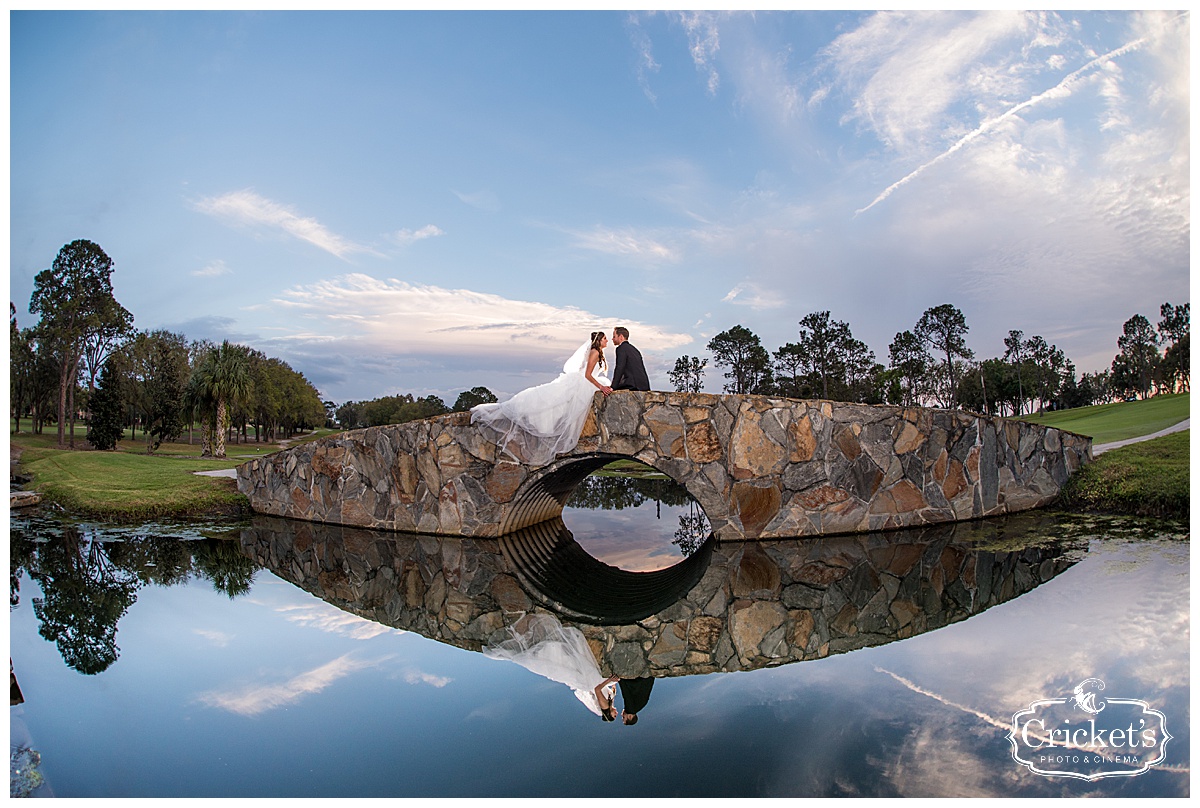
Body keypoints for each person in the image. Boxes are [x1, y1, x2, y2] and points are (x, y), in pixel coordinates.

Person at [470, 331, 612, 465]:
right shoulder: (594, 353)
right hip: (583, 383)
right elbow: (587, 375)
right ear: (599, 341)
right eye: (605, 338)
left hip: (582, 382)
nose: (607, 340)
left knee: (561, 405)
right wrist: (602, 387)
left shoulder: (597, 352)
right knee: (557, 404)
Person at [483, 613, 616, 717]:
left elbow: (598, 690)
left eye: (614, 716)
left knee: (565, 661)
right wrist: (612, 686)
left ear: (609, 714)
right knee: (570, 660)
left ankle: (535, 648)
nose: (616, 714)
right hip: (590, 681)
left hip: (588, 682)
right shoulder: (609, 702)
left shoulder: (604, 708)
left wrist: (610, 681)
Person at [610, 327, 651, 391]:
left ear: (620, 337)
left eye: (614, 336)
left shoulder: (621, 349)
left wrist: (613, 387)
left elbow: (620, 368)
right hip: (644, 385)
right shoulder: (634, 349)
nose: (612, 339)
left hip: (632, 384)